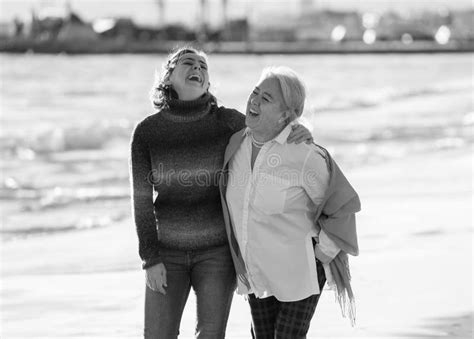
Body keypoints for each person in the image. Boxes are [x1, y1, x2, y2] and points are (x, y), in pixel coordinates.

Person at [129, 47, 313, 338]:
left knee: (211, 335)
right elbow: (141, 203)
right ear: (169, 75)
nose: (198, 69)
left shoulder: (227, 122)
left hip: (217, 254)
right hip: (167, 254)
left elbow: (269, 129)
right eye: (189, 63)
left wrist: (298, 130)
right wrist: (150, 258)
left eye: (203, 66)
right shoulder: (146, 133)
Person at [219, 66, 360, 338]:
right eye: (255, 92)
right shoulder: (235, 142)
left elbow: (342, 206)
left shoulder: (304, 155)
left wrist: (324, 253)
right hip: (256, 268)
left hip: (299, 269)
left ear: (287, 115)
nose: (254, 101)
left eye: (266, 98)